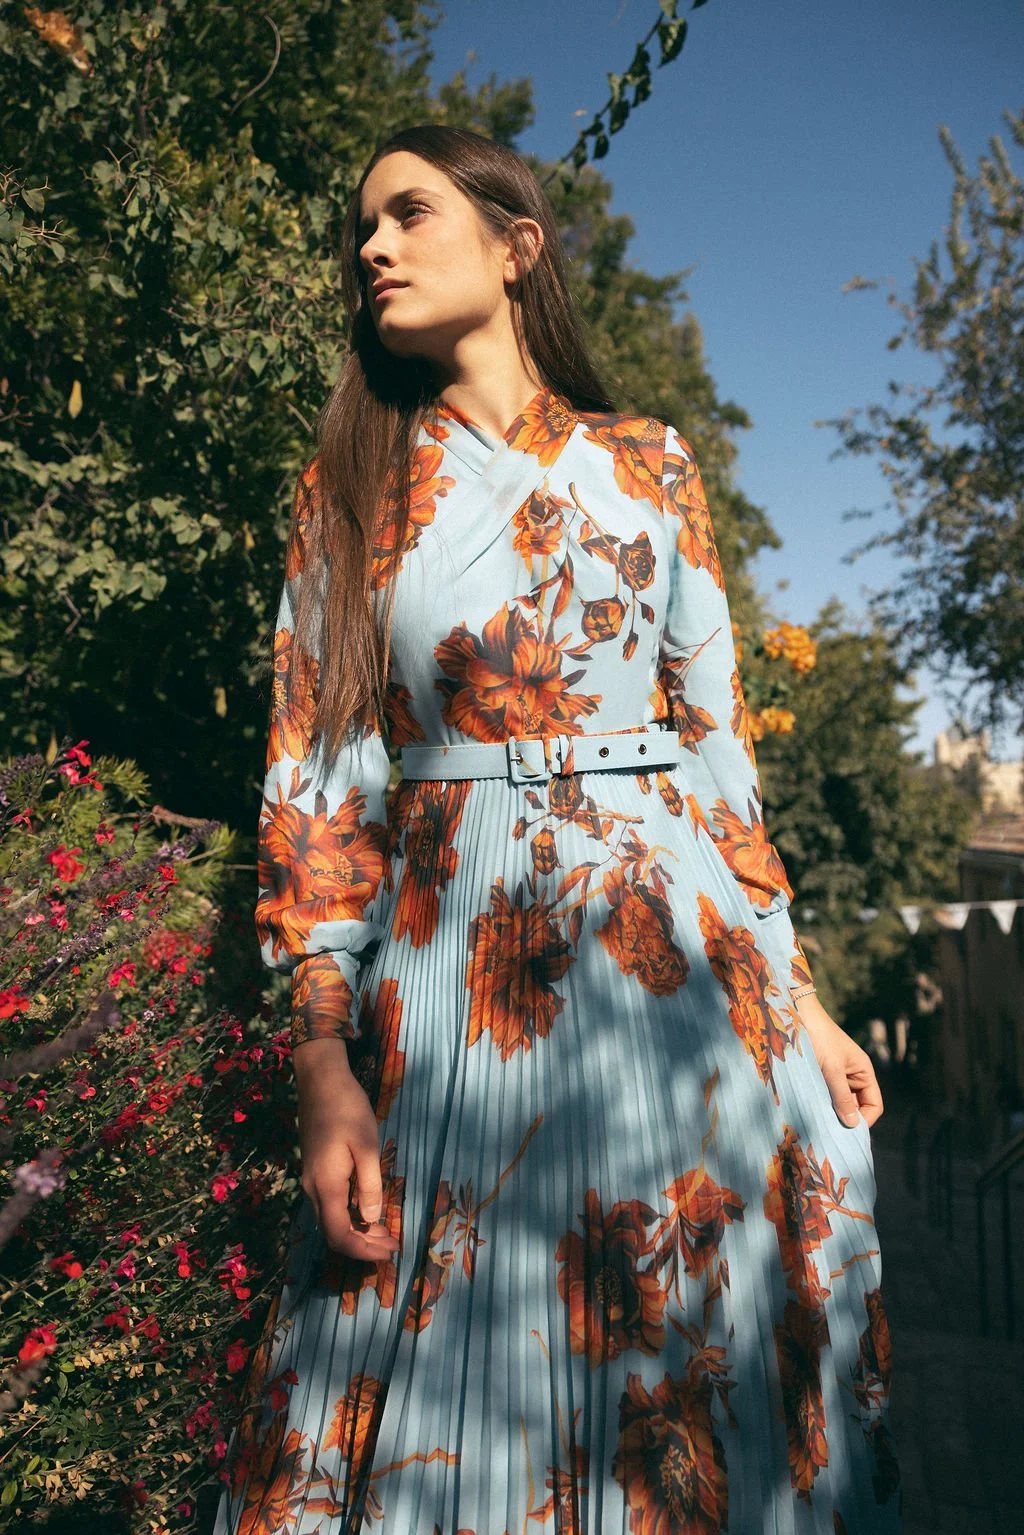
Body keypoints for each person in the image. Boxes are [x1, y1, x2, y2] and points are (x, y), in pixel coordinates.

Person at [214, 124, 902, 1534]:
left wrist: (809, 991)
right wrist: (320, 1058)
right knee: (451, 1364)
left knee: (683, 1365)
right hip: (456, 997)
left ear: (517, 245)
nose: (373, 248)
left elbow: (719, 754)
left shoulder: (651, 467)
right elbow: (319, 784)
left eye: (408, 213)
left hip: (684, 991)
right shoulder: (348, 492)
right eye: (364, 228)